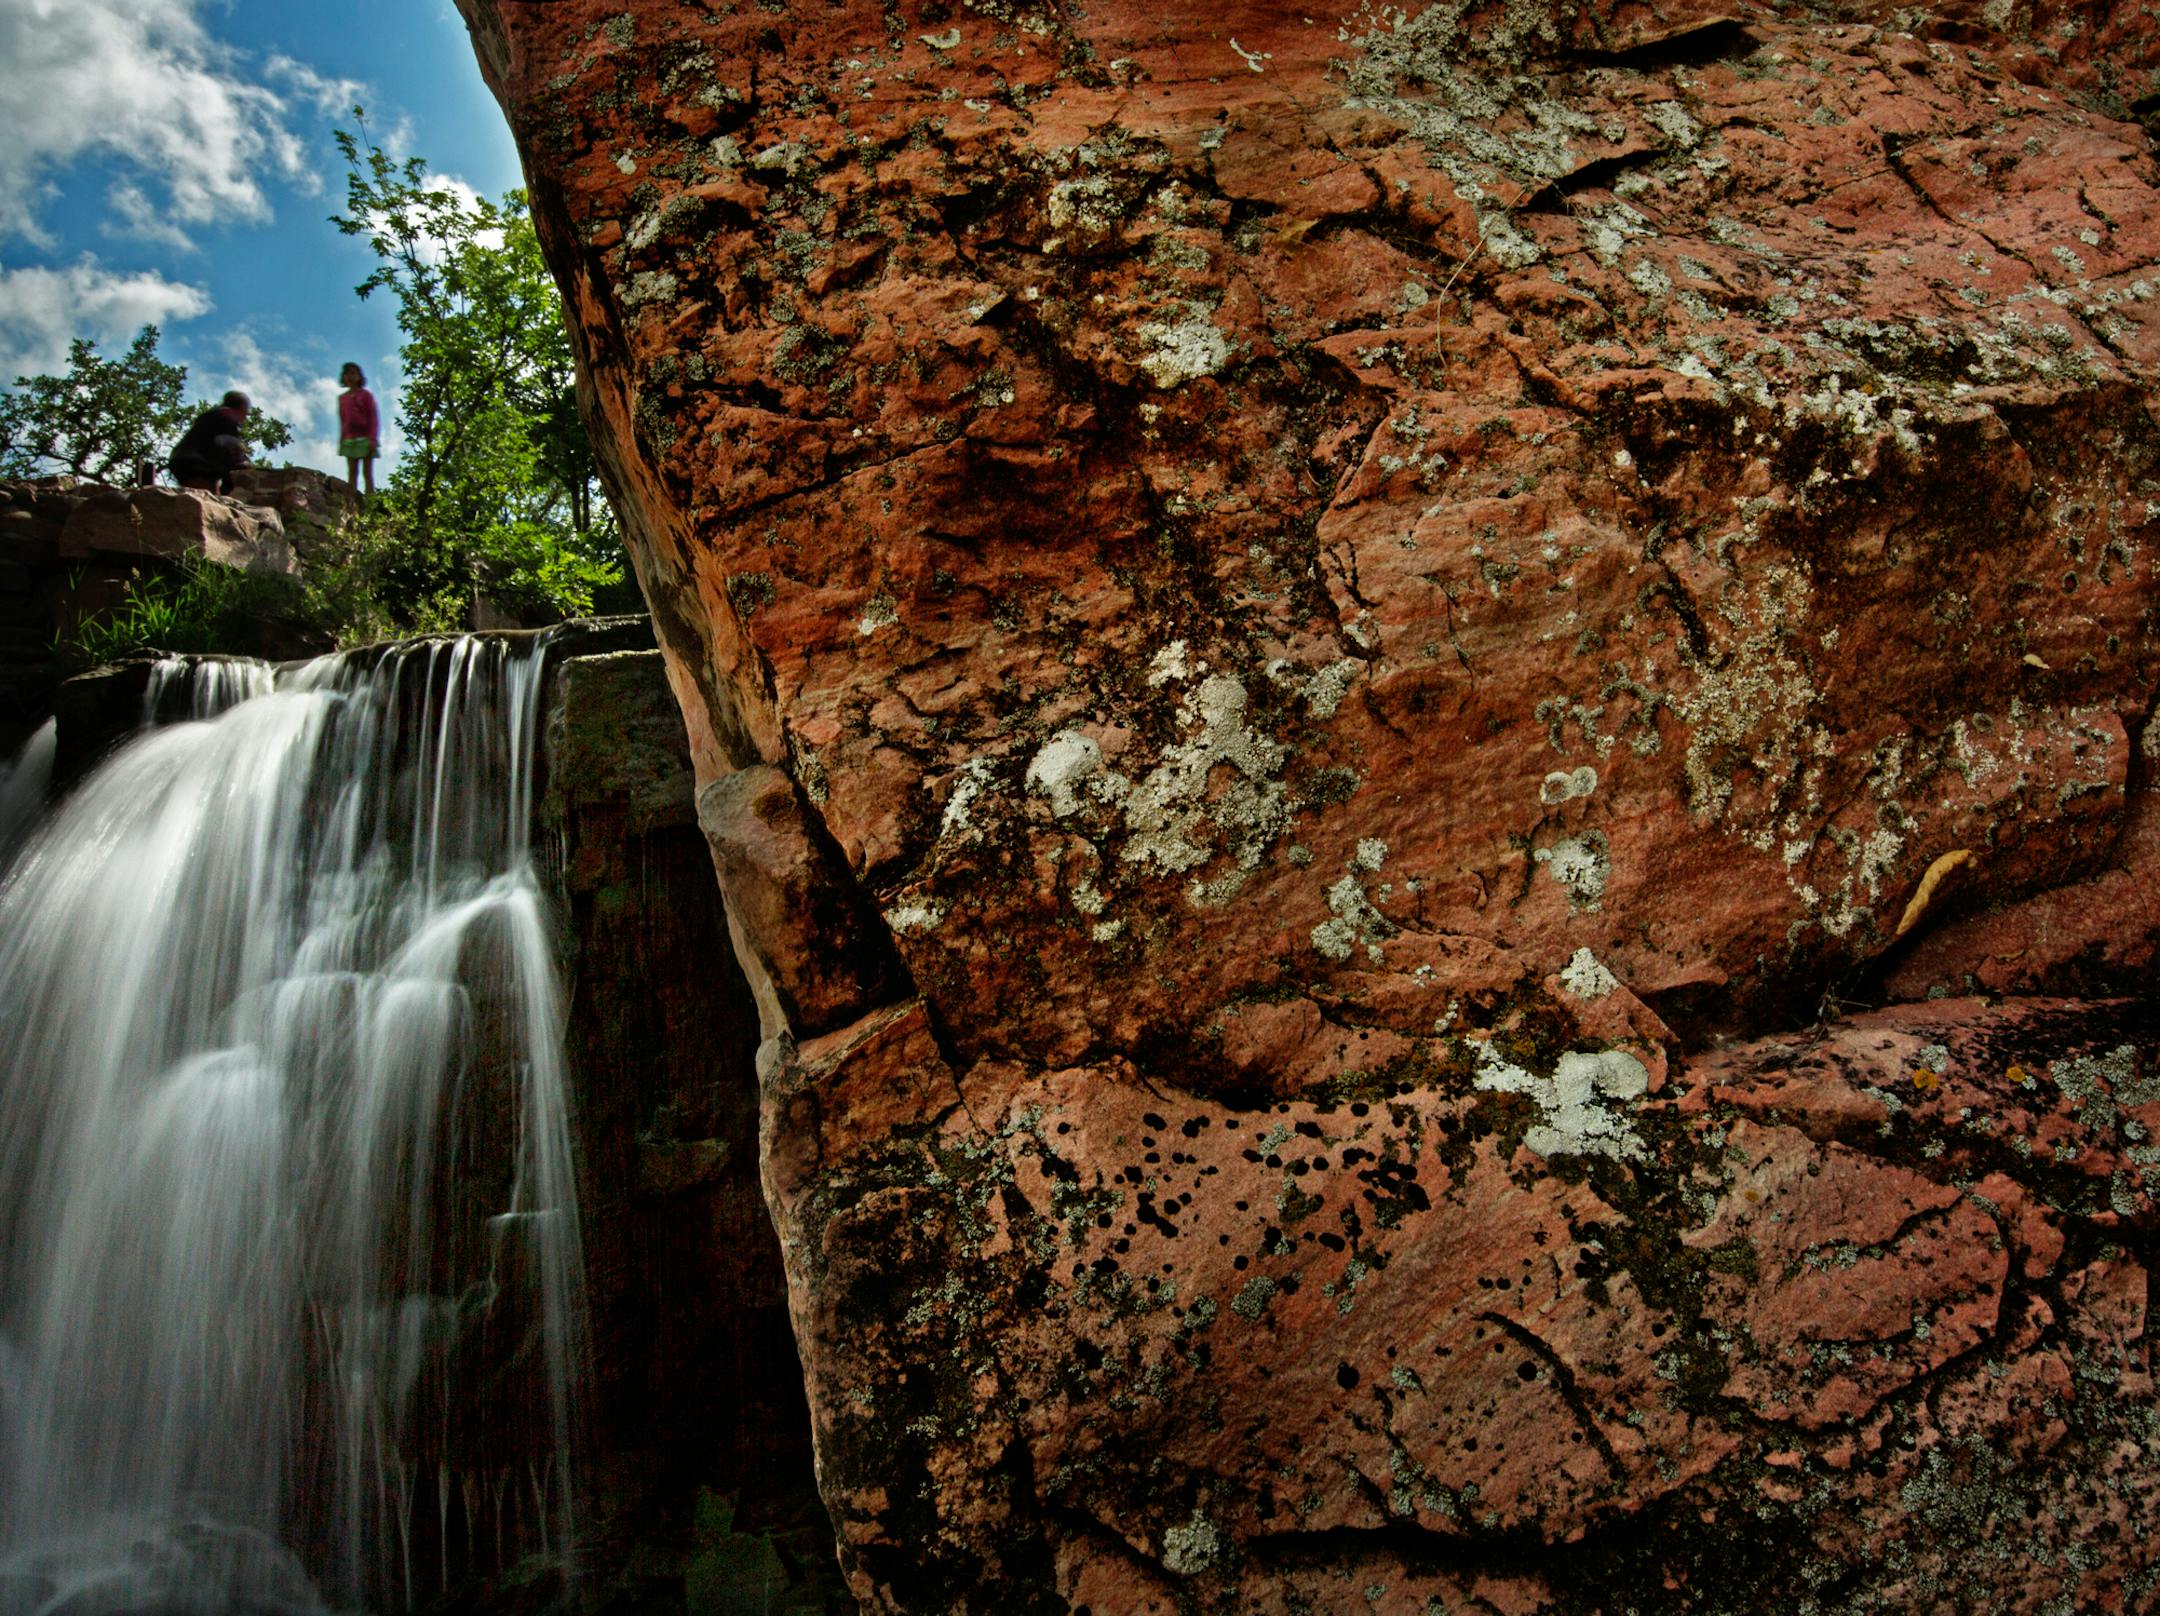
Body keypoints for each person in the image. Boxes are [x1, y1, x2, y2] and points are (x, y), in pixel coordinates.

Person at [167, 391, 252, 494]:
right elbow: (234, 456)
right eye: (245, 413)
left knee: (202, 495)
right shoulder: (226, 419)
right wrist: (245, 466)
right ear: (240, 408)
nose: (244, 418)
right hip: (196, 465)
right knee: (206, 498)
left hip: (182, 460)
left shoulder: (211, 415)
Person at [337, 362, 379, 495]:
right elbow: (342, 420)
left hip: (365, 438)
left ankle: (370, 503)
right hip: (350, 439)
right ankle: (351, 502)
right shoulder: (342, 398)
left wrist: (373, 438)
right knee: (352, 473)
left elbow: (373, 417)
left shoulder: (366, 395)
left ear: (360, 377)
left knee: (367, 472)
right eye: (347, 373)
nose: (350, 376)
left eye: (353, 373)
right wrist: (342, 439)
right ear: (343, 377)